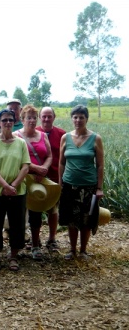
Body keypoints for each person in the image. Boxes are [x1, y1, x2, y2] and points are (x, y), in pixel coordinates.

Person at [0, 109, 30, 271]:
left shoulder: (21, 143)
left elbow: (25, 166)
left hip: (17, 191)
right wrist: (5, 186)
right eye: (4, 120)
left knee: (17, 224)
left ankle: (13, 256)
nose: (8, 123)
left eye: (10, 120)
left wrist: (14, 186)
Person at [59, 105, 104, 260]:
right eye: (75, 117)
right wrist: (60, 182)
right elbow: (61, 163)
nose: (78, 120)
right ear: (72, 119)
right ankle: (72, 250)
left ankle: (83, 251)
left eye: (81, 117)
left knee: (86, 219)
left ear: (86, 119)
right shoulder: (65, 138)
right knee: (71, 219)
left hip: (89, 185)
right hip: (69, 184)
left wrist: (99, 188)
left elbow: (100, 165)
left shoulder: (95, 138)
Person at [14, 105, 52, 260]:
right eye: (28, 117)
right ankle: (17, 246)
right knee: (18, 213)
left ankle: (35, 246)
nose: (31, 120)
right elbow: (16, 159)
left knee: (36, 213)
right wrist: (37, 168)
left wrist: (44, 168)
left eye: (33, 118)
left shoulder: (43, 136)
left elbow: (49, 155)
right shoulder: (16, 136)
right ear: (22, 119)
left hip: (38, 180)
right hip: (21, 179)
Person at [36, 107, 66, 250]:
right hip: (35, 178)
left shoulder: (62, 134)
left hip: (54, 177)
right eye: (44, 116)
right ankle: (35, 239)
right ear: (39, 117)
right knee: (34, 210)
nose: (46, 119)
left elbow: (65, 158)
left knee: (52, 210)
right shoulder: (34, 133)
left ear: (54, 117)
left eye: (49, 116)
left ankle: (52, 238)